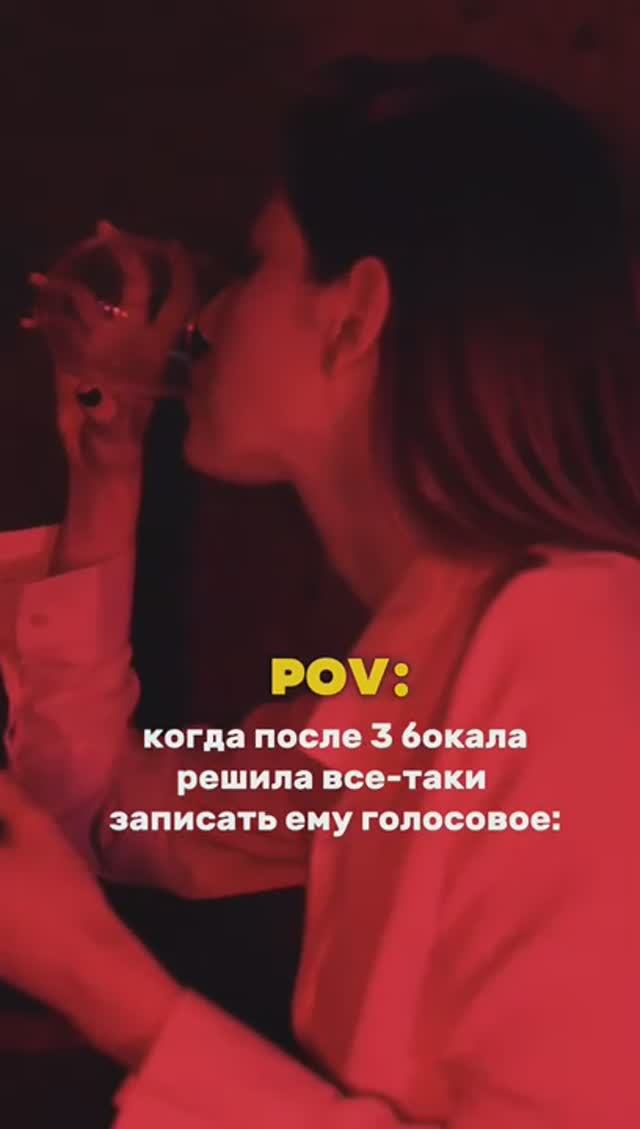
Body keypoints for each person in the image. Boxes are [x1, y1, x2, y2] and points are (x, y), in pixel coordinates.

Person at [0, 53, 639, 1128]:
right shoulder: (410, 680)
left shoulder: (573, 656)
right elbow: (104, 809)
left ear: (354, 315)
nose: (207, 317)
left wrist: (112, 995)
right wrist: (109, 463)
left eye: (254, 265)